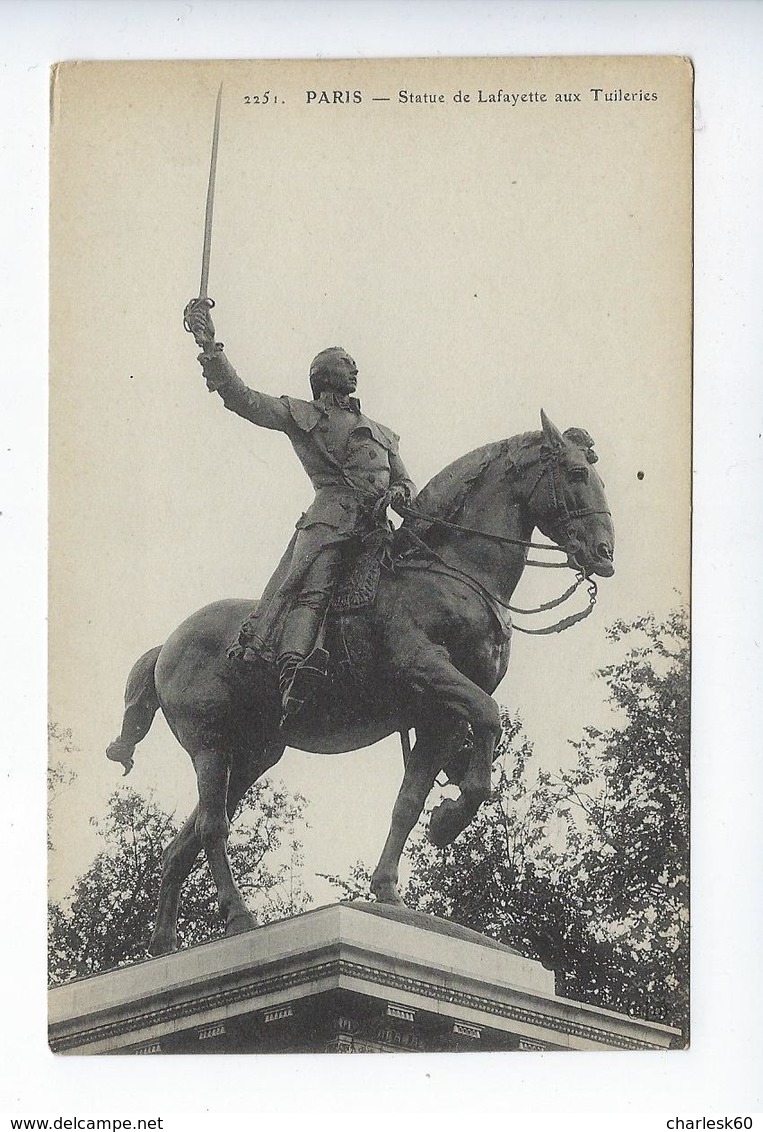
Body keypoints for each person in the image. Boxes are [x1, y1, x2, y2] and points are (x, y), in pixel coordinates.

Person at [185, 298, 417, 725]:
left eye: (354, 364)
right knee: (315, 588)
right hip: (330, 524)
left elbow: (404, 479)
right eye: (346, 363)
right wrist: (209, 345)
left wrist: (401, 494)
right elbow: (245, 399)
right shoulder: (302, 415)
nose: (355, 370)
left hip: (378, 528)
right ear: (325, 374)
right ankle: (293, 671)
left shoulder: (382, 433)